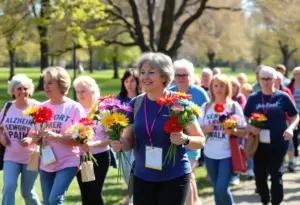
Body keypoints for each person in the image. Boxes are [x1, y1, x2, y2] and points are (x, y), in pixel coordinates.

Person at [111, 52, 205, 205]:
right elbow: (128, 140)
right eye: (142, 72)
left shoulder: (178, 104)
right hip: (143, 176)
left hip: (174, 176)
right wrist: (120, 144)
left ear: (163, 76)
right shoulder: (136, 104)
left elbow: (200, 140)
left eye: (151, 72)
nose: (145, 77)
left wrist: (185, 139)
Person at [244, 66, 299, 205]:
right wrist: (250, 127)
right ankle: (265, 199)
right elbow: (244, 116)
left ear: (275, 79)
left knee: (276, 173)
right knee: (260, 175)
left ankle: (276, 202)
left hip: (278, 142)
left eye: (269, 79)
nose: (266, 82)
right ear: (259, 79)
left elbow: (295, 115)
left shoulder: (282, 96)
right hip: (259, 143)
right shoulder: (253, 98)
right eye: (263, 79)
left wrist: (291, 129)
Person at [35, 66, 86, 205]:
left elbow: (81, 140)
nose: (46, 86)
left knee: (55, 199)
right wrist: (35, 138)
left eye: (50, 82)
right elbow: (39, 137)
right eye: (45, 82)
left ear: (62, 84)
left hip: (68, 161)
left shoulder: (74, 108)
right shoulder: (41, 107)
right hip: (47, 162)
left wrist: (56, 136)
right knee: (47, 202)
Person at [199, 74, 247, 205]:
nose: (219, 89)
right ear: (211, 88)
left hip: (227, 154)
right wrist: (205, 129)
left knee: (222, 188)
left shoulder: (233, 106)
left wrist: (234, 131)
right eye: (216, 85)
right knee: (216, 189)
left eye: (222, 86)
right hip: (209, 154)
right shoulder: (206, 107)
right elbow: (196, 130)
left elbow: (245, 130)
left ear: (227, 88)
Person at [170, 59, 209, 205]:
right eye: (178, 75)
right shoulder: (170, 93)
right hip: (174, 139)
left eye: (184, 75)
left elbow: (206, 114)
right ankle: (196, 201)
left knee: (187, 174)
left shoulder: (199, 93)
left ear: (190, 75)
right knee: (188, 175)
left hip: (192, 139)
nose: (181, 78)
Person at [0, 74, 41, 205]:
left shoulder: (37, 107)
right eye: (19, 88)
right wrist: (1, 136)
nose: (23, 91)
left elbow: (44, 131)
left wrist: (31, 139)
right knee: (8, 188)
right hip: (11, 156)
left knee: (27, 192)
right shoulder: (8, 107)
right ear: (12, 90)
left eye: (26, 88)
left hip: (31, 156)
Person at [74, 76, 111, 205]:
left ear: (93, 92)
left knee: (94, 192)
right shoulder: (75, 109)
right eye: (77, 91)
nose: (80, 94)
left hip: (100, 156)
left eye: (83, 91)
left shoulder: (103, 111)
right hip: (81, 158)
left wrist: (94, 143)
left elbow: (112, 137)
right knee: (85, 193)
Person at [116, 69, 140, 205]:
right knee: (126, 170)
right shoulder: (119, 100)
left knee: (135, 169)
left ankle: (134, 198)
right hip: (123, 140)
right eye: (126, 81)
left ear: (137, 82)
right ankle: (131, 194)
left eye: (132, 81)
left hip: (138, 141)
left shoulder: (143, 98)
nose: (129, 84)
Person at [274, 72, 296, 172]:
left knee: (289, 142)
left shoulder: (286, 91)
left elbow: (292, 106)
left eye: (278, 78)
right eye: (275, 78)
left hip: (285, 120)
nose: (276, 80)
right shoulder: (269, 92)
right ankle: (279, 164)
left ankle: (291, 162)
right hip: (274, 122)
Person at [229, 77, 248, 185]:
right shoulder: (224, 97)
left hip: (237, 129)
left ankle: (236, 174)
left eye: (234, 85)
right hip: (226, 129)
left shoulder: (239, 98)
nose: (232, 87)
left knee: (237, 151)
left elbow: (240, 109)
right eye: (230, 84)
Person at [287, 67, 300, 164]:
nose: (298, 76)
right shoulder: (289, 86)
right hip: (294, 115)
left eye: (299, 74)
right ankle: (295, 155)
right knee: (294, 136)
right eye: (296, 74)